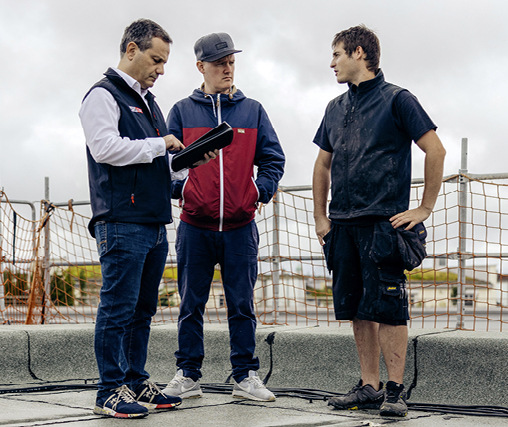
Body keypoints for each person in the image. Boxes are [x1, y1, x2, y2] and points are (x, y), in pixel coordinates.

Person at [79, 19, 216, 419]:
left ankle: (135, 381)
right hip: (121, 220)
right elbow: (105, 148)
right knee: (117, 308)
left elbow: (157, 161)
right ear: (131, 50)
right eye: (156, 60)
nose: (161, 69)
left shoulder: (149, 103)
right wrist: (161, 145)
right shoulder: (102, 96)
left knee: (142, 310)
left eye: (165, 62)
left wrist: (184, 162)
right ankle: (108, 391)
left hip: (154, 221)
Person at [312, 25, 445, 417]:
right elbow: (323, 163)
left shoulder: (398, 100)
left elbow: (434, 149)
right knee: (356, 309)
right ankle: (369, 387)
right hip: (342, 225)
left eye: (336, 54)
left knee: (388, 308)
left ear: (358, 53)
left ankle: (395, 391)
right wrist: (321, 217)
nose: (331, 62)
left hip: (383, 224)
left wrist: (424, 208)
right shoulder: (335, 107)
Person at [161, 32, 285, 402]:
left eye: (231, 61)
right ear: (201, 67)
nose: (227, 68)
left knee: (242, 303)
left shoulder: (253, 110)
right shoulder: (182, 111)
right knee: (190, 303)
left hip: (240, 227)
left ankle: (245, 375)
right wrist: (184, 192)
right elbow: (166, 165)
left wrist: (257, 191)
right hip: (194, 227)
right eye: (219, 63)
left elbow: (273, 160)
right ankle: (188, 375)